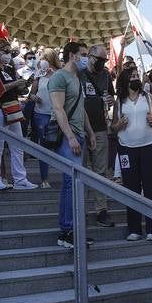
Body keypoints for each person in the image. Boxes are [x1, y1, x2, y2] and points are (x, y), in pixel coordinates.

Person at [112, 67, 152, 241]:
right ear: (125, 80)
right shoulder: (119, 102)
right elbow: (112, 127)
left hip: (150, 146)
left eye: (137, 76)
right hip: (127, 147)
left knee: (151, 188)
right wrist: (119, 125)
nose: (136, 78)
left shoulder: (148, 98)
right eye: (132, 76)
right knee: (131, 189)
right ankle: (134, 229)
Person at [51, 41, 96, 248]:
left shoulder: (77, 78)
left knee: (74, 184)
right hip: (68, 136)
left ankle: (72, 230)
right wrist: (70, 136)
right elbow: (58, 109)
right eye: (84, 54)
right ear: (72, 55)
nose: (87, 58)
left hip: (79, 135)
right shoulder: (60, 77)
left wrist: (90, 132)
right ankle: (67, 231)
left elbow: (81, 108)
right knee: (71, 182)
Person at [0, 42, 37, 190]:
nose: (8, 54)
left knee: (18, 144)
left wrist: (25, 84)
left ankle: (20, 178)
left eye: (9, 51)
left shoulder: (9, 68)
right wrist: (15, 84)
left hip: (13, 108)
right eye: (5, 51)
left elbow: (18, 90)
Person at [78, 45, 116, 224]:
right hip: (79, 128)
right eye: (99, 59)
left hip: (100, 128)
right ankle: (78, 208)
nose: (102, 63)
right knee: (80, 169)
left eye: (105, 60)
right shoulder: (78, 73)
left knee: (100, 171)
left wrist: (110, 100)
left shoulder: (106, 75)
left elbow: (111, 97)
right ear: (90, 56)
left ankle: (101, 210)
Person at [29, 50, 58, 188]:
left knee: (59, 144)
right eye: (41, 58)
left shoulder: (59, 74)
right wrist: (34, 97)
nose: (42, 60)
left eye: (45, 57)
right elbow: (32, 94)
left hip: (57, 115)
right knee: (44, 145)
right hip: (40, 114)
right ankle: (44, 178)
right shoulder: (38, 75)